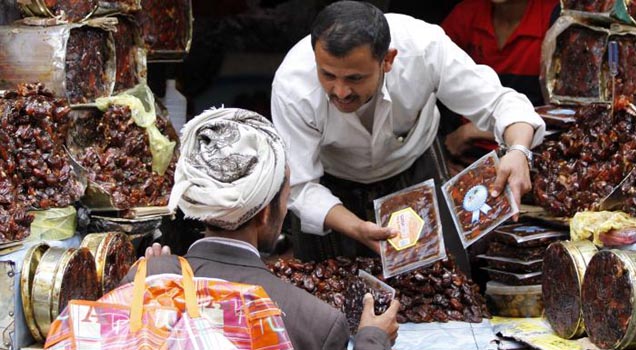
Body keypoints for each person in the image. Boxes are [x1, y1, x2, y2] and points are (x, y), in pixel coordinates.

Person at [271, 1, 545, 265]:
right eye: (328, 75)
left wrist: (518, 151)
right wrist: (355, 227)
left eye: (355, 78)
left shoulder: (424, 48)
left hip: (414, 165)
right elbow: (301, 186)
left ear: (388, 60)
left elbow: (499, 103)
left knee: (445, 280)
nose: (340, 91)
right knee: (329, 297)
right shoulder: (293, 84)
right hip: (332, 184)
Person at [122, 107, 399, 350]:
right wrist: (371, 339)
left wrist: (149, 278)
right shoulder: (316, 322)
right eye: (286, 195)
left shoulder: (149, 280)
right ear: (266, 213)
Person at [441, 0, 560, 161]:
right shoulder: (468, 13)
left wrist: (472, 131)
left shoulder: (555, 17)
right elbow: (428, 84)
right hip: (465, 155)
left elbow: (567, 114)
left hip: (532, 150)